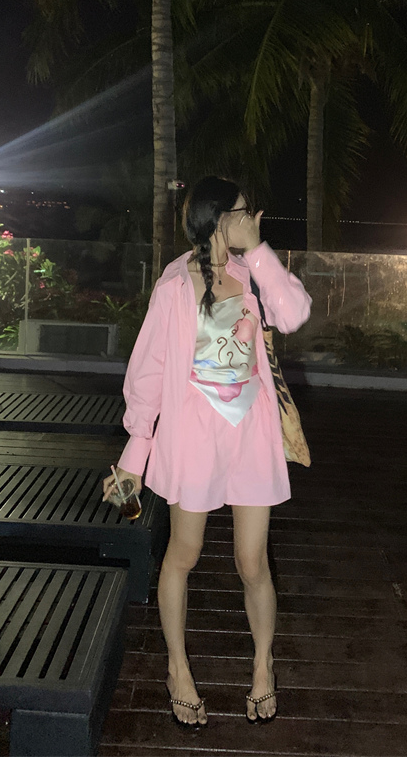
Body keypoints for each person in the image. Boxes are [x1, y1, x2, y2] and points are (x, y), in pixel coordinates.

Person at [103, 175, 312, 728]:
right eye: (245, 212)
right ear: (222, 220)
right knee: (184, 553)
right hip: (194, 438)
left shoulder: (253, 274)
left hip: (249, 435)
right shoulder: (175, 285)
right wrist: (135, 453)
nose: (254, 218)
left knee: (252, 561)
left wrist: (259, 251)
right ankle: (178, 668)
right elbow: (148, 371)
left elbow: (293, 314)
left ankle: (263, 666)